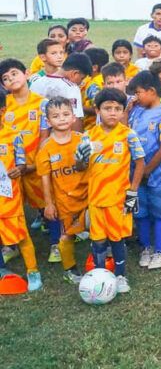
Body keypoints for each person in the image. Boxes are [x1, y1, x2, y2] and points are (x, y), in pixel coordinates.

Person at [78, 88, 147, 294]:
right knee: (98, 240)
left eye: (117, 108)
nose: (112, 112)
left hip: (119, 198)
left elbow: (140, 162)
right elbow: (80, 167)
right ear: (98, 110)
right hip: (96, 199)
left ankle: (120, 275)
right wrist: (80, 158)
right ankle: (100, 274)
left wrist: (133, 191)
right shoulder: (88, 136)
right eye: (107, 108)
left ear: (123, 111)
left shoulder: (128, 134)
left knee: (117, 239)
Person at [126, 72, 161, 270]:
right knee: (139, 212)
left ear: (152, 91)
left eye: (138, 92)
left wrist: (147, 169)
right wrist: (127, 111)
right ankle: (145, 248)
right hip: (133, 173)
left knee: (160, 211)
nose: (136, 97)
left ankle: (160, 251)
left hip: (155, 173)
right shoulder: (136, 111)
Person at [36, 97, 88, 284]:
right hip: (65, 201)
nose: (62, 119)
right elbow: (45, 178)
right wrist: (48, 204)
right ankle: (70, 270)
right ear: (48, 122)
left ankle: (101, 263)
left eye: (66, 114)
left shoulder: (83, 140)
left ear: (73, 117)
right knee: (67, 235)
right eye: (56, 116)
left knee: (100, 230)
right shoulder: (46, 147)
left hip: (89, 196)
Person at [0, 92, 41, 291]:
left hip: (9, 196)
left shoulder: (13, 135)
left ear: (2, 111)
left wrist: (19, 168)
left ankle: (32, 271)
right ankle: (2, 269)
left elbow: (21, 162)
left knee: (22, 235)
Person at [31, 51, 89, 127]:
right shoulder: (71, 88)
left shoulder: (36, 83)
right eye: (81, 78)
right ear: (75, 73)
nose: (80, 82)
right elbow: (75, 119)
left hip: (34, 132)